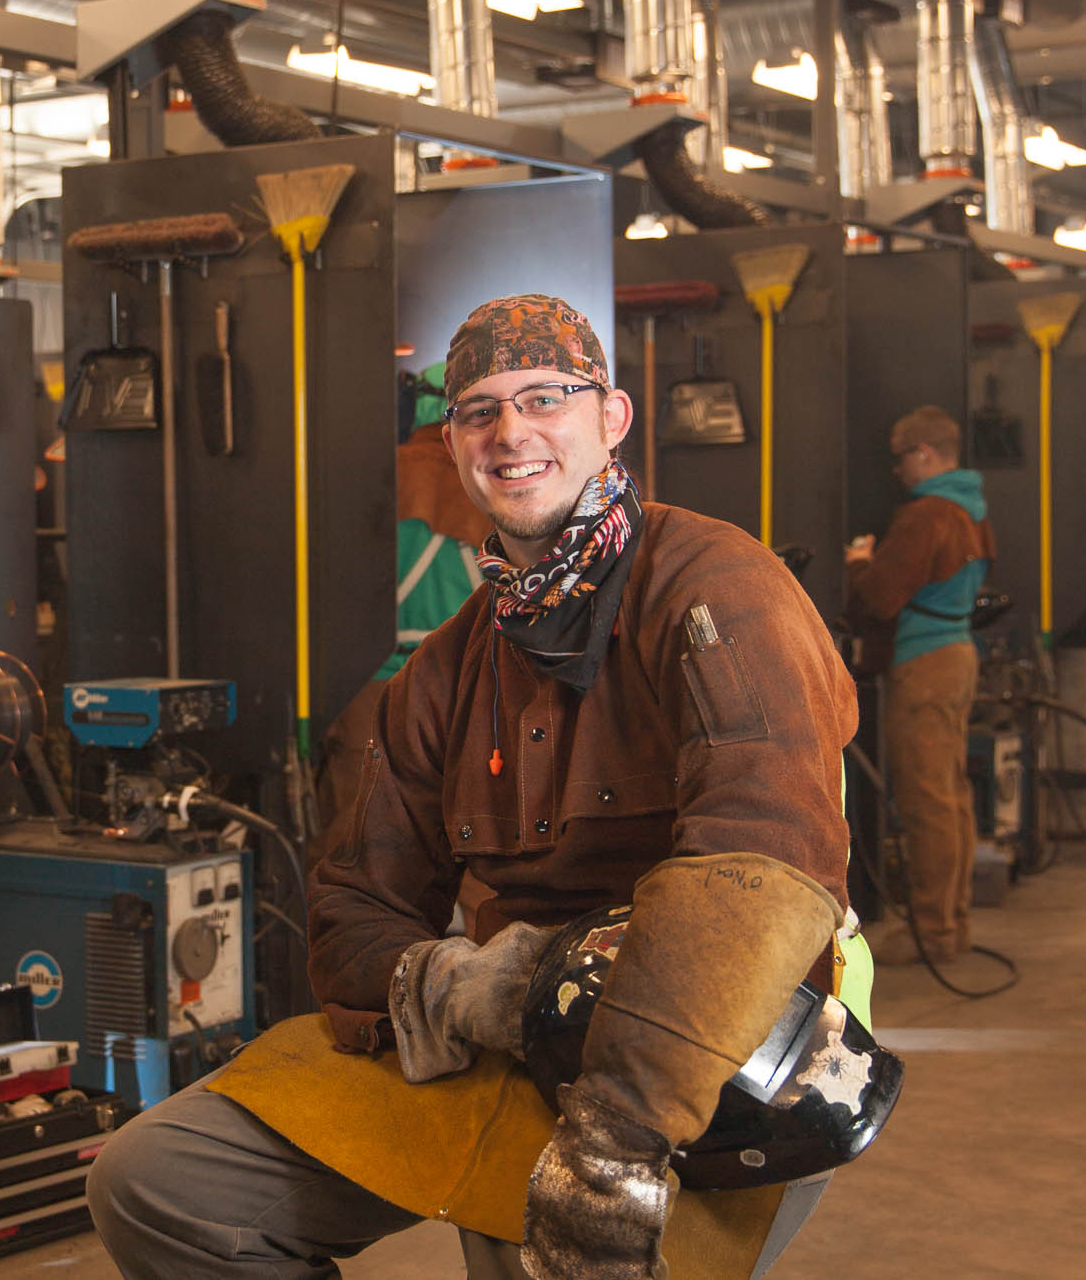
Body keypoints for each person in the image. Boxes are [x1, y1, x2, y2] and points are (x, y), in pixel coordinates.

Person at [86, 294, 859, 1279]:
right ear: (451, 445)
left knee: (542, 1232)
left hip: (713, 1066)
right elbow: (352, 913)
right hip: (519, 1050)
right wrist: (456, 985)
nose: (510, 431)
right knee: (159, 1175)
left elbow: (761, 869)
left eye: (543, 397)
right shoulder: (448, 668)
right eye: (479, 411)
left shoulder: (712, 587)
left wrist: (613, 1145)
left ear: (609, 418)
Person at [316, 362, 490, 855]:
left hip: (368, 694)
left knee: (357, 853)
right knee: (481, 853)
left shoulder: (371, 479)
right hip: (470, 694)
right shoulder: (497, 479)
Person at [845, 406, 994, 965]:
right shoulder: (972, 509)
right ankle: (951, 924)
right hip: (957, 654)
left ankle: (932, 935)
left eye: (901, 457)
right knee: (950, 795)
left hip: (924, 662)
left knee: (927, 799)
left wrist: (860, 563)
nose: (897, 469)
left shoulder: (927, 514)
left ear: (925, 454)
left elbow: (880, 597)